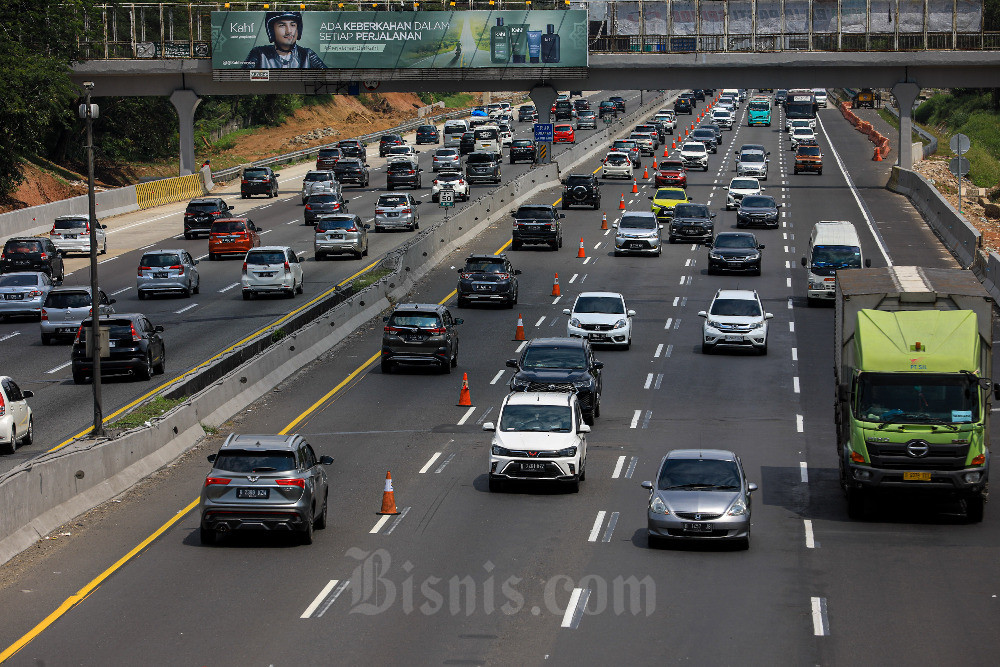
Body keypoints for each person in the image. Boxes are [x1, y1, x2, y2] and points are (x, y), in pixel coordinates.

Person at [242, 11, 326, 69]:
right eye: (282, 25)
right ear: (271, 30)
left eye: (293, 25)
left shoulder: (307, 55)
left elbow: (328, 76)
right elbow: (243, 79)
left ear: (298, 29)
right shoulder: (259, 54)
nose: (289, 31)